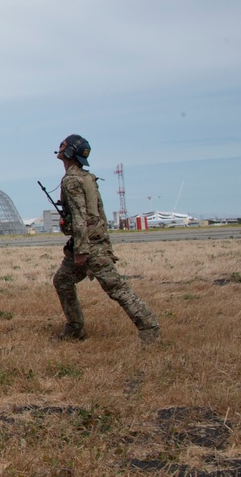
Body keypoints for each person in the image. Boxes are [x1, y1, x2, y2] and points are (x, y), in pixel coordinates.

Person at [52, 134, 160, 343]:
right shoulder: (86, 178)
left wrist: (81, 250)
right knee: (62, 280)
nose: (59, 147)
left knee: (116, 288)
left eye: (63, 144)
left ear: (69, 152)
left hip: (88, 246)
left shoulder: (72, 180)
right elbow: (96, 214)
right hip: (92, 241)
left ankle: (149, 328)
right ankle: (75, 329)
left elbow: (81, 216)